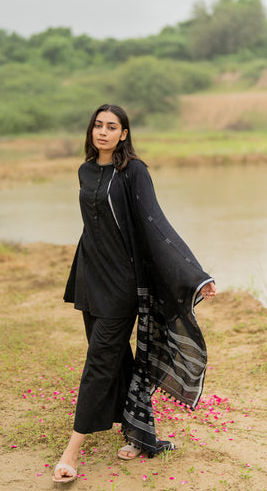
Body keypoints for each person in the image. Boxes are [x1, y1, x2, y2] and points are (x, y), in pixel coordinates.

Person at [53, 103, 217, 484]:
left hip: (121, 286)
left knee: (99, 362)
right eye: (98, 125)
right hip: (90, 279)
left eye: (112, 127)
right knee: (115, 358)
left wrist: (194, 275)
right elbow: (94, 226)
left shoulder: (133, 172)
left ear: (124, 134)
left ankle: (71, 453)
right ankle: (139, 433)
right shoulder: (86, 170)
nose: (103, 132)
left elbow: (156, 224)